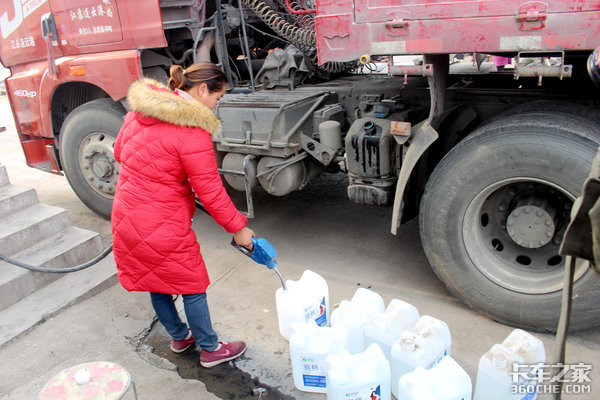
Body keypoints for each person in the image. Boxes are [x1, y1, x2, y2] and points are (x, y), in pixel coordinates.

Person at [111, 62, 254, 368]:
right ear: (202, 90)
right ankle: (210, 348)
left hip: (126, 214)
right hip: (161, 221)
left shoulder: (139, 112)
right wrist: (238, 228)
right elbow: (211, 191)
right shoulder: (192, 131)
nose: (217, 103)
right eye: (218, 96)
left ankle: (179, 336)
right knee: (192, 282)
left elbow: (119, 152)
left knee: (155, 279)